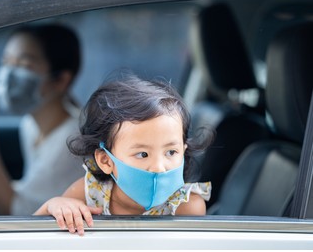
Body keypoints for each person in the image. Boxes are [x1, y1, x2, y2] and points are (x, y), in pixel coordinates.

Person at [34, 73, 213, 235]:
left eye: (171, 152)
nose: (159, 167)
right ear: (105, 160)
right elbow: (31, 235)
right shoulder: (88, 192)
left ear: (184, 150)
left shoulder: (187, 206)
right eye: (143, 154)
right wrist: (54, 206)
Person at [0, 24, 85, 215]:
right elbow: (32, 191)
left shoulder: (71, 143)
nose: (8, 74)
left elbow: (17, 213)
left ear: (61, 80)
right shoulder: (30, 124)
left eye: (24, 66)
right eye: (6, 62)